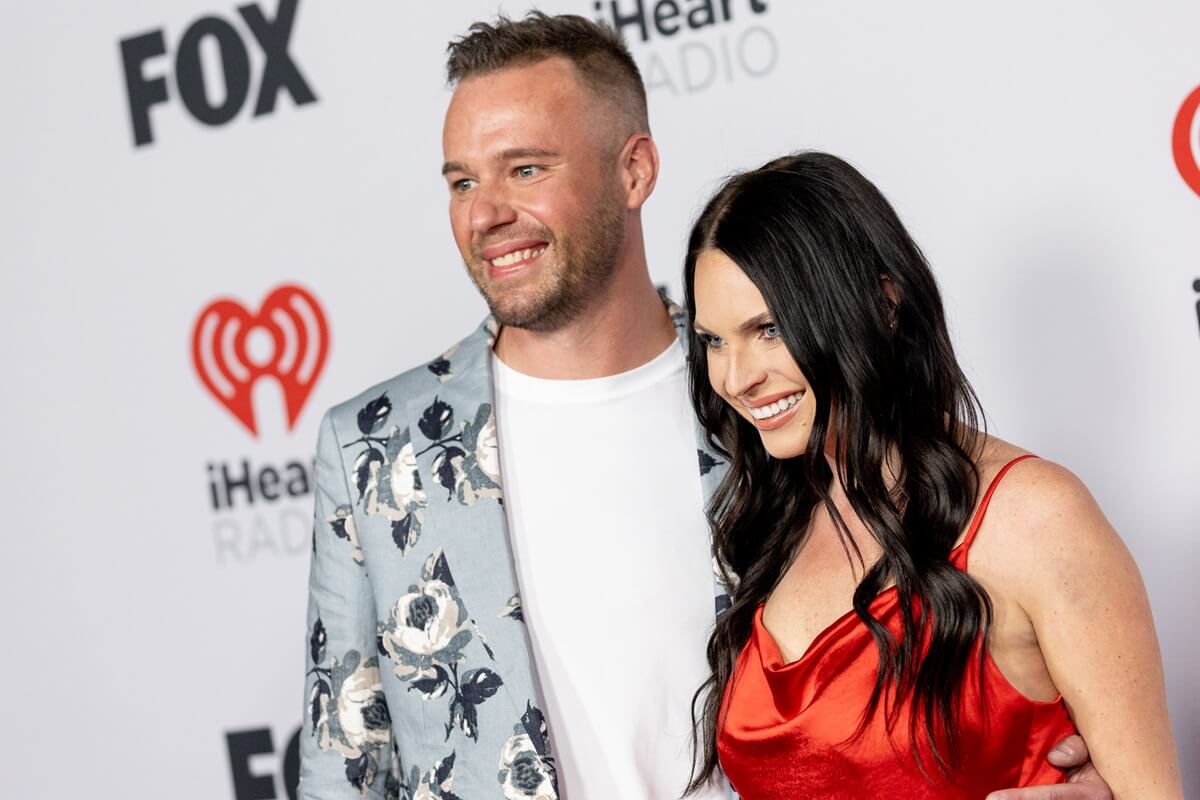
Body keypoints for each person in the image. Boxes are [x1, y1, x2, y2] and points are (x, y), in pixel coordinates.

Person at [300, 13, 1112, 799]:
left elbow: (963, 593)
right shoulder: (375, 447)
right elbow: (343, 765)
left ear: (635, 170)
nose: (486, 214)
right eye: (462, 181)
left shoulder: (776, 391)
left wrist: (1061, 767)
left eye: (526, 168)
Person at [683, 152, 1182, 799]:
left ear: (883, 304)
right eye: (714, 340)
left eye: (768, 329)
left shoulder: (1032, 517)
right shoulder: (779, 520)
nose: (735, 378)